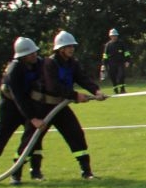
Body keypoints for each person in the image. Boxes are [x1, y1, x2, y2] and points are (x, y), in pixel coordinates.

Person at [36, 31, 107, 179]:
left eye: (72, 46)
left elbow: (82, 78)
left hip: (61, 106)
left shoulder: (72, 63)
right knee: (33, 139)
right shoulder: (49, 63)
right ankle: (28, 172)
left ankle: (86, 172)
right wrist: (75, 96)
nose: (71, 49)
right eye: (68, 46)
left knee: (76, 134)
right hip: (44, 108)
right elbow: (53, 87)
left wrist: (96, 91)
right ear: (60, 49)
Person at [0, 37, 48, 185]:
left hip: (29, 105)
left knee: (35, 139)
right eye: (30, 53)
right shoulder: (14, 70)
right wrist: (33, 118)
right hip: (10, 108)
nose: (34, 55)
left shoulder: (39, 64)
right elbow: (19, 97)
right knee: (1, 137)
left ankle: (35, 171)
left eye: (34, 52)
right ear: (22, 56)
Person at [101, 28, 132, 94]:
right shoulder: (108, 45)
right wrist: (104, 64)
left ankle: (122, 90)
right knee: (113, 77)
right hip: (111, 64)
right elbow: (105, 55)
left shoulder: (121, 43)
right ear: (110, 36)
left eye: (115, 36)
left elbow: (126, 52)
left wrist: (128, 60)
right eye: (113, 36)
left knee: (121, 75)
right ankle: (116, 90)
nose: (114, 37)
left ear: (117, 36)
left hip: (120, 62)